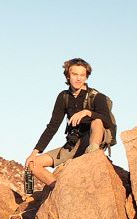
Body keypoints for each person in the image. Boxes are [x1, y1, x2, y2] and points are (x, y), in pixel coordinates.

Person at [24, 58, 116, 188]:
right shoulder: (63, 97)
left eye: (82, 75)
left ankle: (92, 156)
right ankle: (59, 190)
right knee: (33, 164)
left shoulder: (97, 97)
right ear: (68, 75)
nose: (78, 78)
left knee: (97, 121)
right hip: (73, 143)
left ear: (86, 76)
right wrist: (34, 153)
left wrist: (87, 112)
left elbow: (107, 121)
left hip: (95, 139)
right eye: (74, 74)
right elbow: (52, 126)